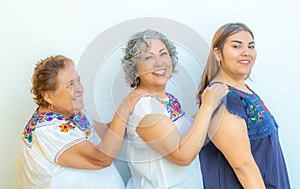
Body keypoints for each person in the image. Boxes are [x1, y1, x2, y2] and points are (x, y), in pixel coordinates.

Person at [17, 55, 147, 189]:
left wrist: (134, 115)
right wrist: (124, 110)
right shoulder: (48, 130)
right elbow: (101, 159)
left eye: (78, 81)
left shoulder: (73, 113)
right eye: (71, 85)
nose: (80, 89)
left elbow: (106, 132)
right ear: (48, 96)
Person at [120, 29, 227, 188]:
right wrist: (207, 107)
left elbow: (191, 134)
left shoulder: (166, 99)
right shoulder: (144, 107)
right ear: (135, 69)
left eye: (163, 54)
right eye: (149, 57)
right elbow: (182, 156)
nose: (159, 62)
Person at [197, 22, 290, 188]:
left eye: (251, 46)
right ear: (218, 54)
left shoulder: (244, 91)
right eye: (236, 46)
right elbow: (243, 166)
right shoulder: (222, 97)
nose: (246, 53)